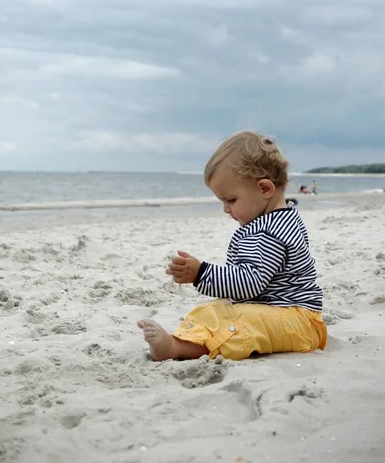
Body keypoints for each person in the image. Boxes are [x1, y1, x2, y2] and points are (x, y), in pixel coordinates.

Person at [138, 130, 327, 361]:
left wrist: (201, 273)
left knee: (237, 323)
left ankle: (176, 349)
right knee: (215, 311)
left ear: (265, 189)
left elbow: (249, 283)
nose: (226, 209)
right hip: (285, 317)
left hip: (298, 322)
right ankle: (181, 342)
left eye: (231, 200)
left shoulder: (269, 233)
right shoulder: (277, 220)